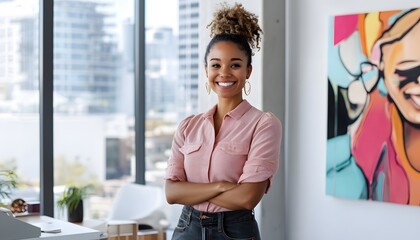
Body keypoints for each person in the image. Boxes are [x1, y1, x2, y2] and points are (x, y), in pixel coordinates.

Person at [164, 2, 282, 240]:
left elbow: (247, 197)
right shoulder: (188, 126)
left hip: (235, 231)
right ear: (206, 70)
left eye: (235, 65)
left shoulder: (264, 124)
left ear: (248, 71)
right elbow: (171, 192)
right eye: (216, 65)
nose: (224, 73)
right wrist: (221, 186)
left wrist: (192, 191)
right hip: (188, 227)